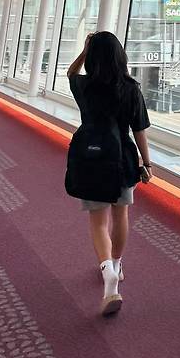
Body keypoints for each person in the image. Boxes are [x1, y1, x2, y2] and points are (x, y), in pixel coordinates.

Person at [67, 31, 152, 316]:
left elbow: (70, 72)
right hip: (122, 158)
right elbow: (139, 130)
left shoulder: (84, 85)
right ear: (120, 57)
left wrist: (84, 50)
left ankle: (107, 272)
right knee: (121, 214)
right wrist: (147, 164)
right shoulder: (131, 88)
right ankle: (116, 263)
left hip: (91, 157)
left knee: (98, 221)